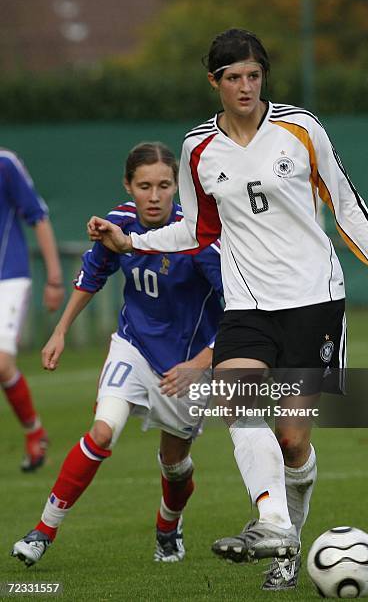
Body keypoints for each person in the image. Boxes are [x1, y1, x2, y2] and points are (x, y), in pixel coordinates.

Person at [85, 29, 368, 590]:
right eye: (233, 77)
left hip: (314, 299)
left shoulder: (300, 128)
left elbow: (344, 201)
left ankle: (287, 552)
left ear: (264, 76)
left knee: (293, 440)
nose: (245, 86)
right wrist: (132, 243)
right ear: (214, 82)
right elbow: (196, 229)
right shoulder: (197, 149)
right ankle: (272, 524)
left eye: (254, 75)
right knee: (238, 404)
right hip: (246, 306)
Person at [11, 142, 223, 567]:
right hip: (134, 347)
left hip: (186, 365)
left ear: (177, 188)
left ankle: (168, 526)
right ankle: (43, 530)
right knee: (102, 432)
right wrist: (60, 331)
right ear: (129, 186)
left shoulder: (199, 239)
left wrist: (199, 364)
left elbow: (240, 310)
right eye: (144, 185)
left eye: (165, 185)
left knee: (175, 464)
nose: (155, 195)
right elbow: (93, 275)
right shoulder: (119, 223)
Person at [0, 148, 64, 472]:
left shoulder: (5, 163)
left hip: (7, 276)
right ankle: (35, 433)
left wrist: (54, 278)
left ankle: (33, 433)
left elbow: (37, 216)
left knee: (1, 362)